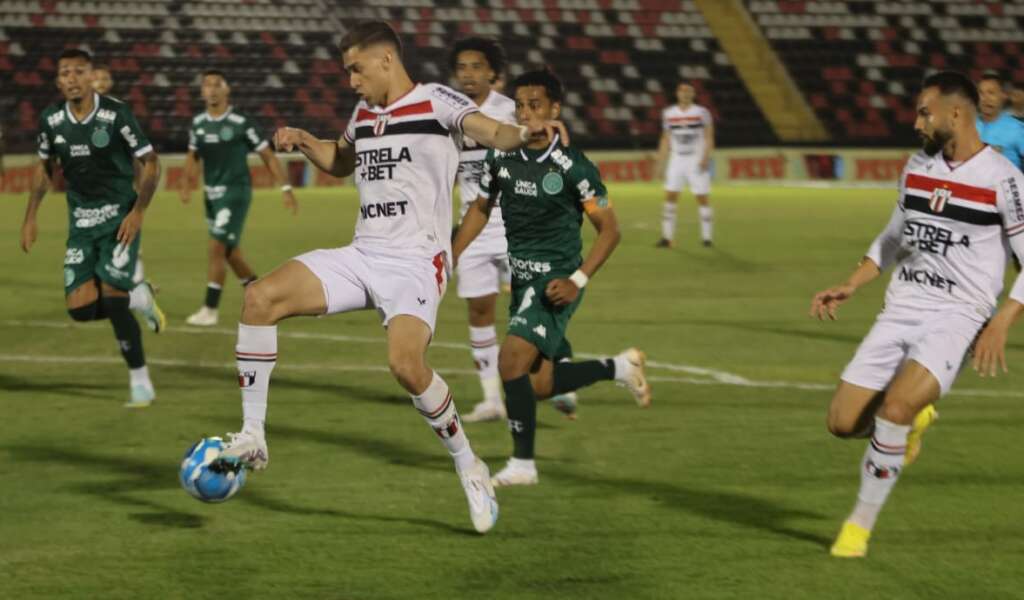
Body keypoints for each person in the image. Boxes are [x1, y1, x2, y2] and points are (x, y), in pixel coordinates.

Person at [215, 21, 567, 534]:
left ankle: (469, 465)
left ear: (385, 61)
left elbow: (493, 132)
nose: (351, 81)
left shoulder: (436, 101)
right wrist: (304, 140)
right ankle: (252, 434)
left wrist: (526, 134)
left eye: (355, 69)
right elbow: (342, 160)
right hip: (364, 252)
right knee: (260, 299)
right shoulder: (364, 113)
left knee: (405, 365)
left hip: (417, 261)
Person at [811, 71, 1024, 558]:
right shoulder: (917, 167)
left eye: (924, 111)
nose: (916, 122)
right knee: (842, 423)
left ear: (956, 113)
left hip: (959, 314)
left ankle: (857, 528)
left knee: (895, 408)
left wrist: (1002, 319)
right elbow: (892, 237)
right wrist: (852, 282)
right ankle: (913, 423)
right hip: (902, 306)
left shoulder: (1004, 180)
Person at [453, 69, 651, 488]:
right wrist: (449, 255)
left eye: (535, 105)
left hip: (557, 283)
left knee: (510, 362)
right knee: (539, 384)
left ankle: (523, 464)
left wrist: (577, 279)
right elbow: (480, 209)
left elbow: (610, 230)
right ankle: (617, 368)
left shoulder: (574, 166)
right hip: (523, 282)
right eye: (521, 106)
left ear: (555, 109)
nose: (526, 114)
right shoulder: (501, 156)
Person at [20, 49, 166, 407]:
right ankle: (140, 297)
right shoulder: (51, 120)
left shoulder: (115, 113)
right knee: (80, 309)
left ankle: (140, 381)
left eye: (78, 71)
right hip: (81, 221)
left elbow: (151, 162)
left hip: (120, 217)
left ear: (90, 76)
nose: (71, 78)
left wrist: (139, 212)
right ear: (58, 81)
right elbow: (44, 167)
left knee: (114, 301)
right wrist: (31, 215)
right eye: (65, 72)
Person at [180, 69, 298, 327]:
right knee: (231, 254)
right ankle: (263, 295)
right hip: (211, 195)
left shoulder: (241, 122)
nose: (211, 89)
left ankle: (209, 309)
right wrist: (187, 182)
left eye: (216, 84)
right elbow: (193, 155)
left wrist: (285, 188)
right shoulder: (198, 123)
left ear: (226, 90)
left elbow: (267, 155)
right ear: (202, 91)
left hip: (235, 193)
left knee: (216, 248)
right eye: (206, 85)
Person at [654, 82, 715, 248]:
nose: (686, 94)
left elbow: (709, 136)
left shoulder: (702, 113)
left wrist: (705, 157)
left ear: (693, 94)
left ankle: (707, 237)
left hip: (695, 158)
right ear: (677, 94)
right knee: (670, 196)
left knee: (702, 197)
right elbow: (665, 139)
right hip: (677, 159)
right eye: (683, 91)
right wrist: (661, 162)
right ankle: (667, 237)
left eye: (689, 91)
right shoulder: (669, 114)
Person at [976, 72, 1024, 170]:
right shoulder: (967, 124)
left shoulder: (1017, 129)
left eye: (991, 93)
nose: (985, 99)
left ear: (1003, 95)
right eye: (981, 93)